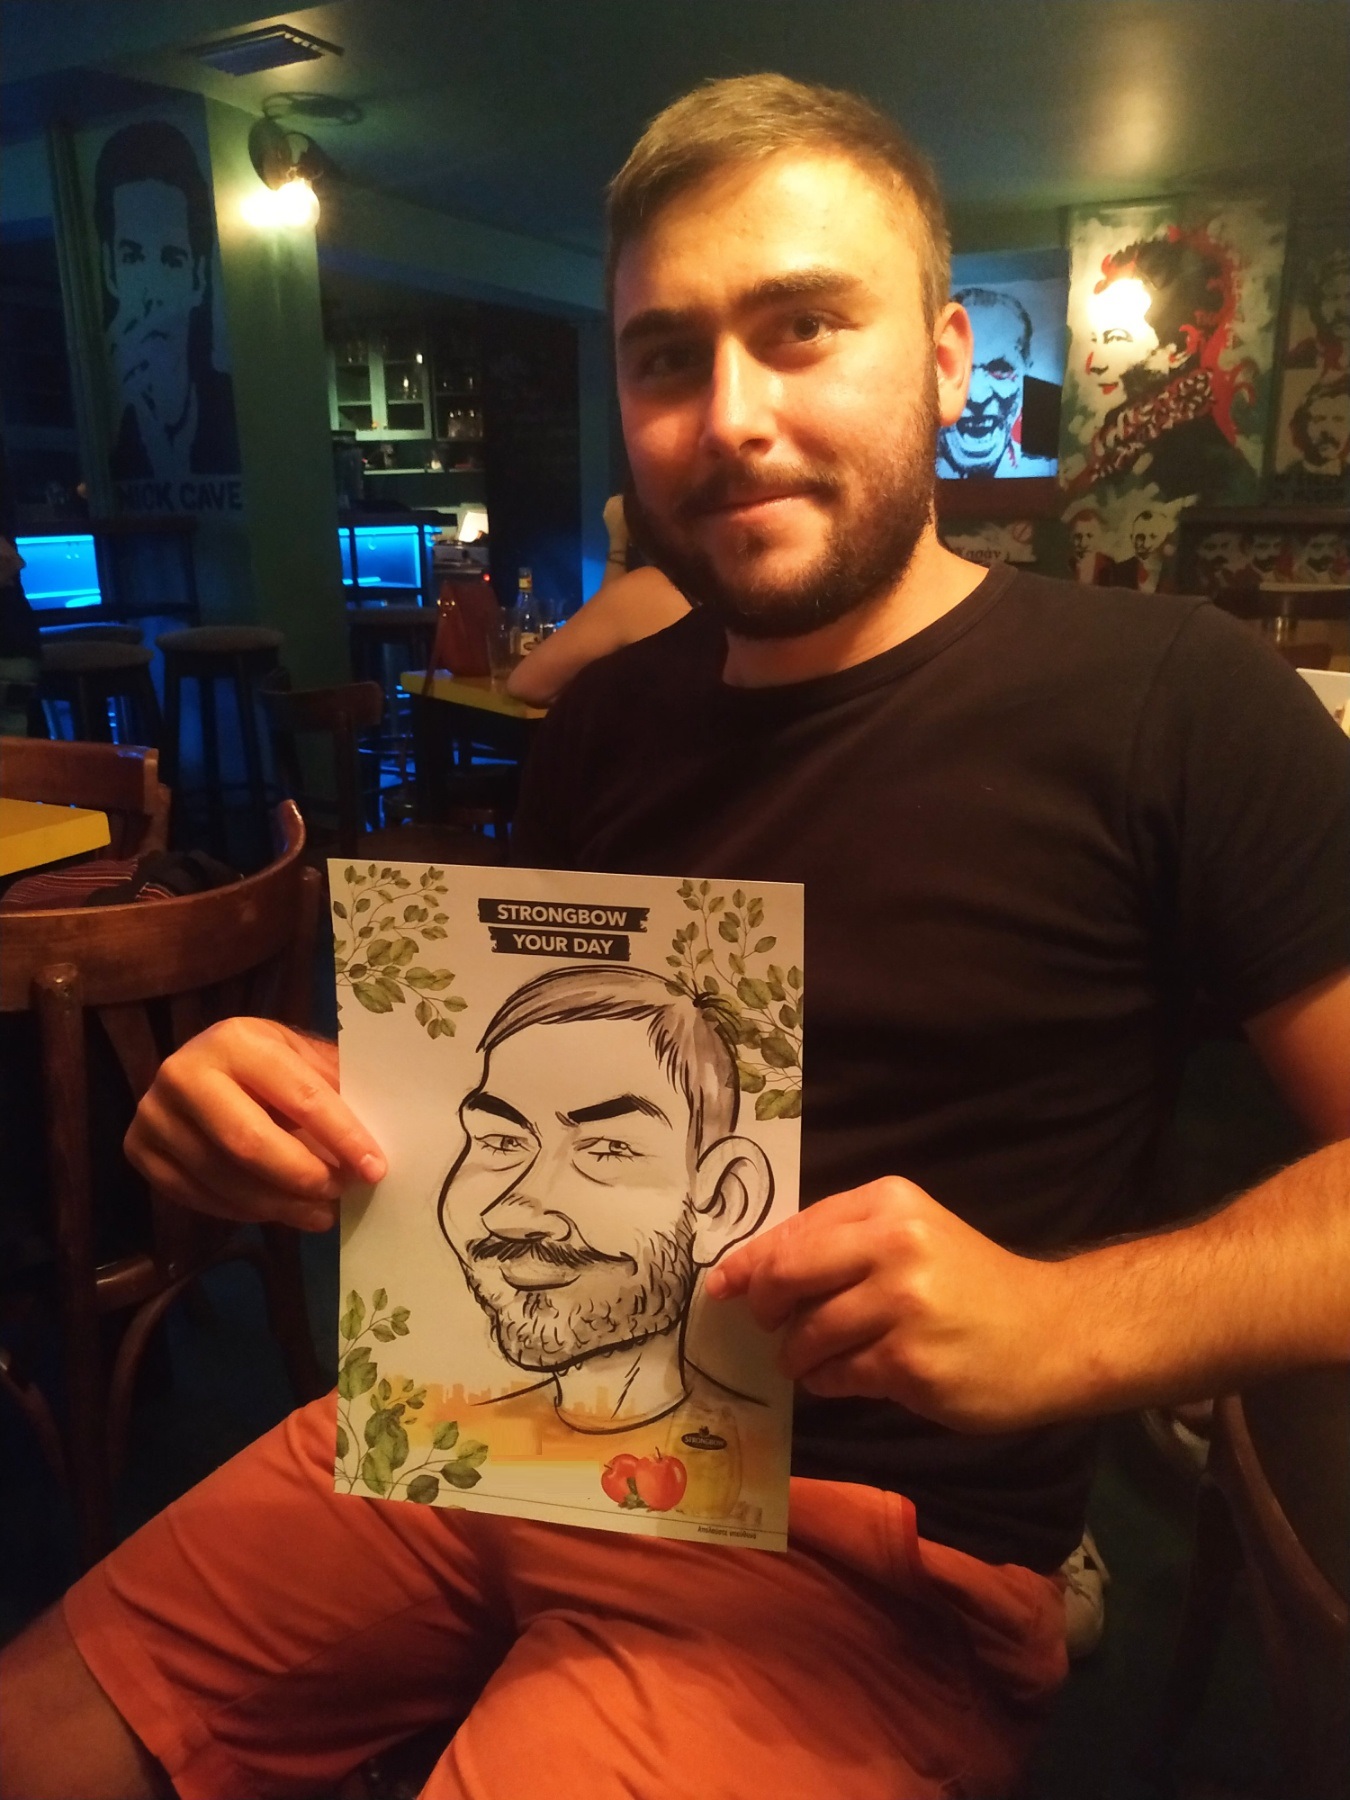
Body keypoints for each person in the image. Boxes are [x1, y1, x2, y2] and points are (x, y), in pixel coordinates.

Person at [5, 74, 1350, 1800]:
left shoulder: (1176, 700)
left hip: (856, 1554)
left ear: (947, 359)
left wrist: (1059, 1327)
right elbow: (548, 1087)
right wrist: (289, 1093)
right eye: (664, 357)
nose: (729, 417)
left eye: (803, 329)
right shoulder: (608, 721)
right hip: (477, 1430)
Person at [436, 965, 772, 1429]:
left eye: (609, 1149)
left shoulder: (759, 1449)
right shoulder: (434, 1437)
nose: (513, 1215)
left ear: (720, 1205)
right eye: (502, 1141)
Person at [94, 120, 240, 484]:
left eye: (172, 260)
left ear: (198, 275)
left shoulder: (236, 409)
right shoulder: (105, 424)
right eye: (132, 258)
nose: (152, 293)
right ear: (110, 270)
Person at [1070, 228, 1254, 501]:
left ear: (1177, 351)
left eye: (1117, 337)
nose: (1094, 363)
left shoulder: (1200, 459)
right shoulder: (1119, 438)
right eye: (1093, 339)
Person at [935, 286, 1055, 478]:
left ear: (1026, 371)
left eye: (1001, 370)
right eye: (960, 369)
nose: (978, 396)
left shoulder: (1042, 470)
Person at [1271, 373, 1350, 505]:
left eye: (1338, 420)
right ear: (1303, 425)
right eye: (1319, 419)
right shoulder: (1285, 481)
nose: (1328, 430)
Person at [1107, 507, 1170, 592]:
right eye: (1140, 537)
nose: (1146, 544)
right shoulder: (1120, 571)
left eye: (1153, 536)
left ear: (1164, 539)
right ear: (1132, 537)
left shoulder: (1172, 574)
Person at [1065, 506, 1113, 585]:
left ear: (1099, 537)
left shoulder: (1108, 567)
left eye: (1089, 536)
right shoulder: (1067, 566)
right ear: (1071, 538)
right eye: (1078, 536)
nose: (1083, 543)